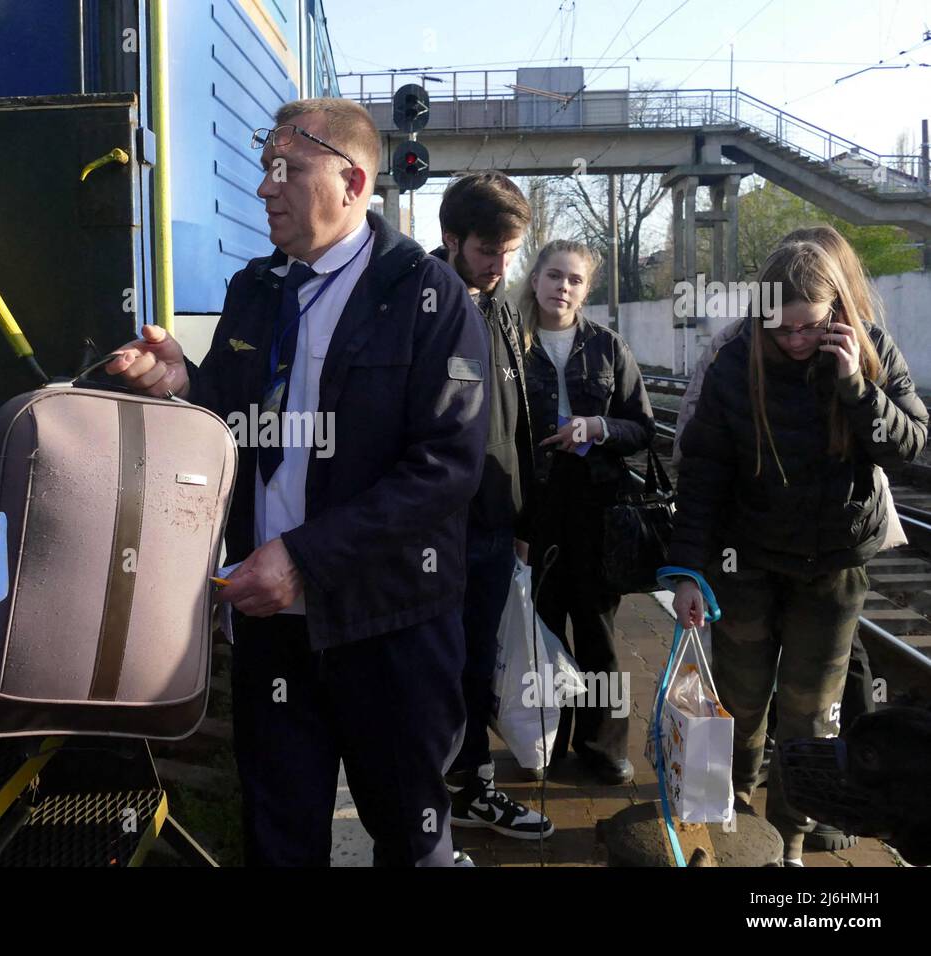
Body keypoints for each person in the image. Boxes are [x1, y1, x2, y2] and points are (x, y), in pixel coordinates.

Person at [105, 98, 490, 866]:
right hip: (272, 630)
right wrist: (186, 383)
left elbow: (446, 467)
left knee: (413, 841)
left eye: (286, 169)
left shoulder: (427, 295)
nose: (264, 188)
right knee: (278, 843)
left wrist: (305, 559)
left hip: (390, 627)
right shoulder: (256, 290)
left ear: (353, 183)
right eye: (264, 169)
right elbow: (236, 425)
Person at [670, 239, 928, 865]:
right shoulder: (736, 360)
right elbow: (702, 472)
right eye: (780, 329)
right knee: (741, 703)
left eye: (808, 327)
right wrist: (686, 572)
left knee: (811, 713)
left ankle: (789, 837)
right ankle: (732, 820)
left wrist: (856, 386)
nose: (793, 341)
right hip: (747, 563)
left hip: (833, 568)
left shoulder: (869, 349)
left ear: (835, 310)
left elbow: (908, 449)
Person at [430, 173, 552, 838]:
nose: (501, 265)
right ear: (451, 238)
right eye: (487, 250)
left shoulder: (499, 304)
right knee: (437, 665)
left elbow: (516, 416)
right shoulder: (419, 302)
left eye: (510, 252)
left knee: (477, 661)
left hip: (495, 526)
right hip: (438, 530)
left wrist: (523, 519)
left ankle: (469, 785)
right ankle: (432, 796)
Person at [516, 239, 655, 785]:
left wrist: (597, 427)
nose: (563, 287)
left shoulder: (607, 347)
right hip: (533, 506)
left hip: (596, 507)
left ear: (586, 289)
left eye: (574, 280)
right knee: (541, 631)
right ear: (535, 279)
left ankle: (603, 745)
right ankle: (546, 739)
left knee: (598, 632)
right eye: (554, 276)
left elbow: (641, 429)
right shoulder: (512, 342)